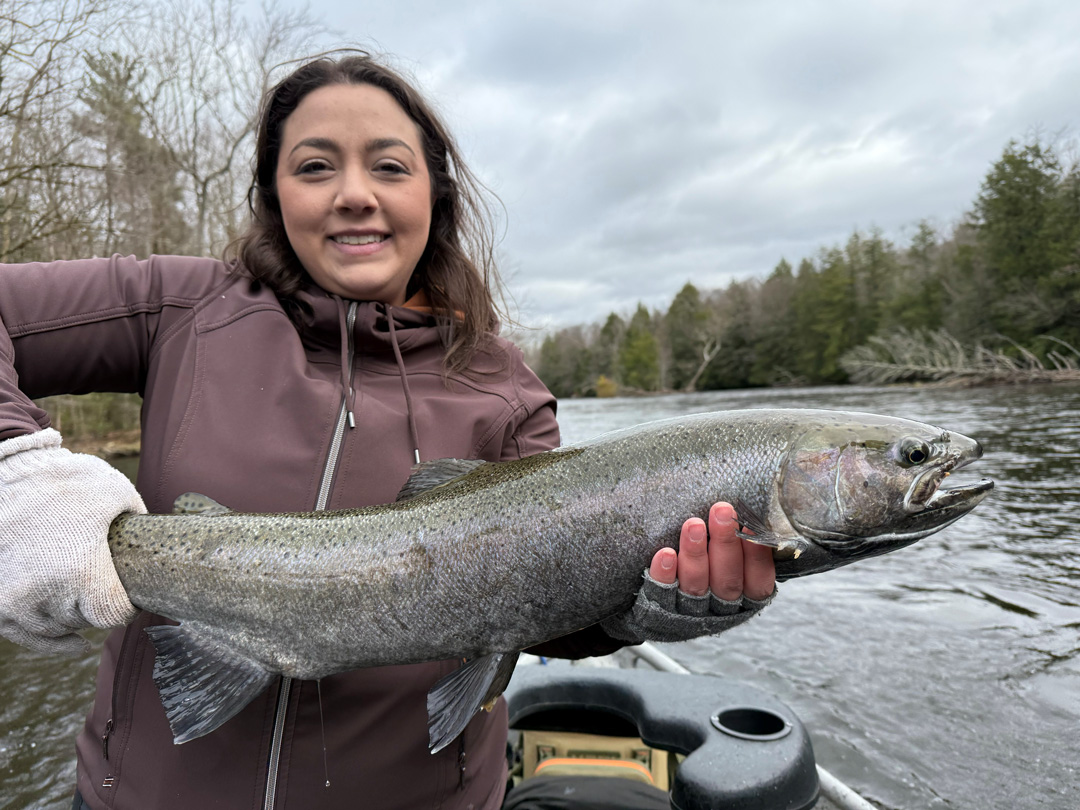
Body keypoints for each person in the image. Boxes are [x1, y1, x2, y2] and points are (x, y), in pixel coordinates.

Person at [0, 53, 775, 810]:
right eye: (313, 167)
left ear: (436, 193)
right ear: (272, 195)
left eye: (390, 167)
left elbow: (551, 615)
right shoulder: (177, 308)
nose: (354, 195)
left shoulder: (506, 389)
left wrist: (641, 608)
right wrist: (19, 466)